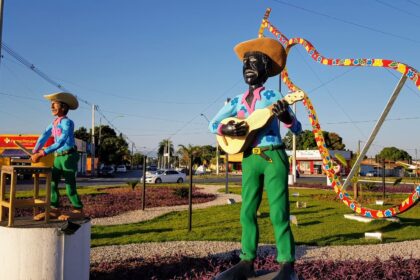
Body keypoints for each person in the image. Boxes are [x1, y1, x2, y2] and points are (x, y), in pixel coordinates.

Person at [209, 37, 302, 279]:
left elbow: (297, 127)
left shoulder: (274, 96)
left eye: (254, 62)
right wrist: (226, 129)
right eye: (245, 63)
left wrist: (286, 119)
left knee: (278, 211)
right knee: (247, 211)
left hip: (273, 156)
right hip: (249, 157)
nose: (248, 66)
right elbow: (213, 123)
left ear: (267, 69)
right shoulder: (237, 101)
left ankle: (286, 264)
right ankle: (247, 260)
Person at [32, 92, 84, 221]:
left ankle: (78, 209)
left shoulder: (67, 123)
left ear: (63, 108)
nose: (52, 107)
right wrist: (35, 150)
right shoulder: (54, 123)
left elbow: (60, 141)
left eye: (54, 105)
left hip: (69, 156)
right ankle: (54, 209)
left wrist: (42, 153)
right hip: (58, 157)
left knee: (69, 184)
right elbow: (44, 135)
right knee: (52, 182)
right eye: (51, 105)